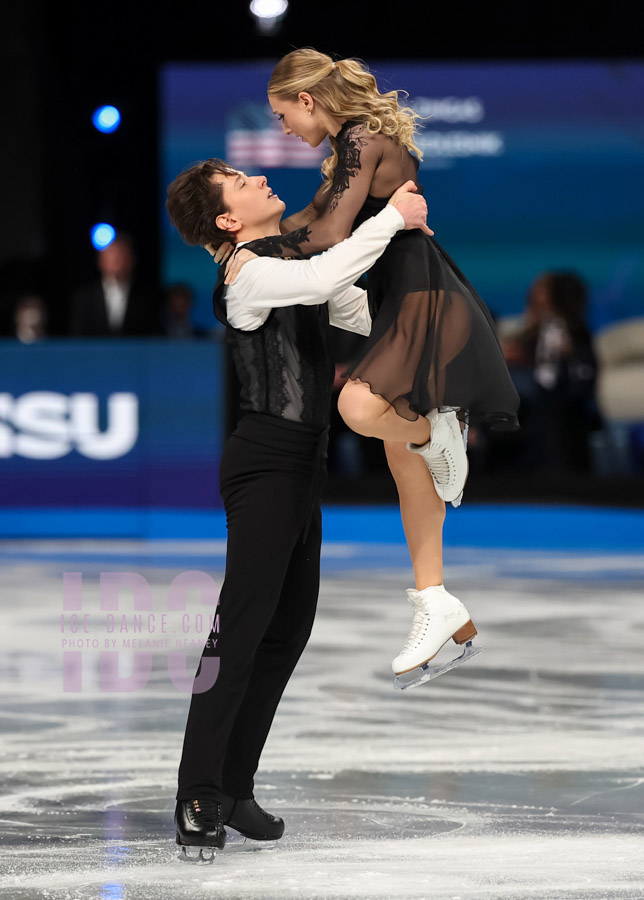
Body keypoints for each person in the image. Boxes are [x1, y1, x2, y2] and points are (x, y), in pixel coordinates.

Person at [221, 49, 519, 686]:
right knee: (403, 464)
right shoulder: (347, 149)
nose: (282, 130)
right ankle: (434, 597)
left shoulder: (360, 137)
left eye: (281, 115)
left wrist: (251, 252)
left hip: (425, 301)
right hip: (403, 302)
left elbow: (326, 236)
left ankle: (439, 434)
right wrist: (246, 246)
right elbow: (309, 223)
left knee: (359, 407)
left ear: (307, 100)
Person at [165, 157, 430, 859]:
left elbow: (343, 301)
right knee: (240, 630)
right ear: (226, 219)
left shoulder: (290, 256)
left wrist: (417, 300)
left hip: (302, 461)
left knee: (286, 631)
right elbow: (318, 279)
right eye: (241, 181)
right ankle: (197, 792)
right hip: (263, 462)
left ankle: (234, 786)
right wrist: (386, 219)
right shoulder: (246, 272)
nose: (257, 179)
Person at [502, 271, 600, 473]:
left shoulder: (572, 332)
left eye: (542, 288)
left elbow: (580, 376)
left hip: (562, 405)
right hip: (541, 403)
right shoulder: (536, 327)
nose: (535, 291)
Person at [69, 234, 158, 337]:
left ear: (132, 259)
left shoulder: (147, 298)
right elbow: (76, 338)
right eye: (111, 254)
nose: (117, 260)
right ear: (100, 260)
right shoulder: (84, 297)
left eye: (122, 254)